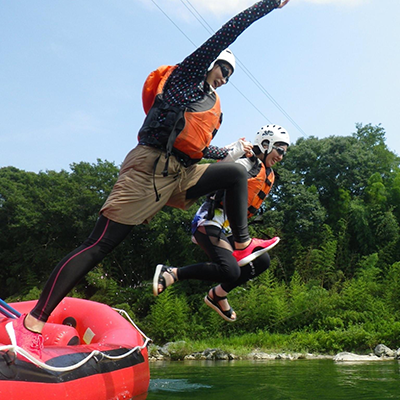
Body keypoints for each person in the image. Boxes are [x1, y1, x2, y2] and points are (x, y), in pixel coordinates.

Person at [6, 0, 291, 358]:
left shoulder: (208, 102)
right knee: (99, 245)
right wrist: (267, 5)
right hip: (147, 170)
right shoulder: (185, 79)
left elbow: (195, 150)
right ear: (210, 62)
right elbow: (226, 32)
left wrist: (229, 152)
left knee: (234, 173)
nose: (225, 77)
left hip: (181, 172)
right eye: (222, 68)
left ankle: (242, 243)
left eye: (230, 75)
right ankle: (34, 321)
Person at [153, 125, 290, 322]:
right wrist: (235, 152)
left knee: (262, 261)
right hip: (207, 222)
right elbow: (216, 170)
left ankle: (217, 295)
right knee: (230, 270)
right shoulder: (246, 162)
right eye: (280, 150)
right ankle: (172, 273)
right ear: (266, 144)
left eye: (285, 152)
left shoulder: (267, 174)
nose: (281, 156)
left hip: (226, 230)